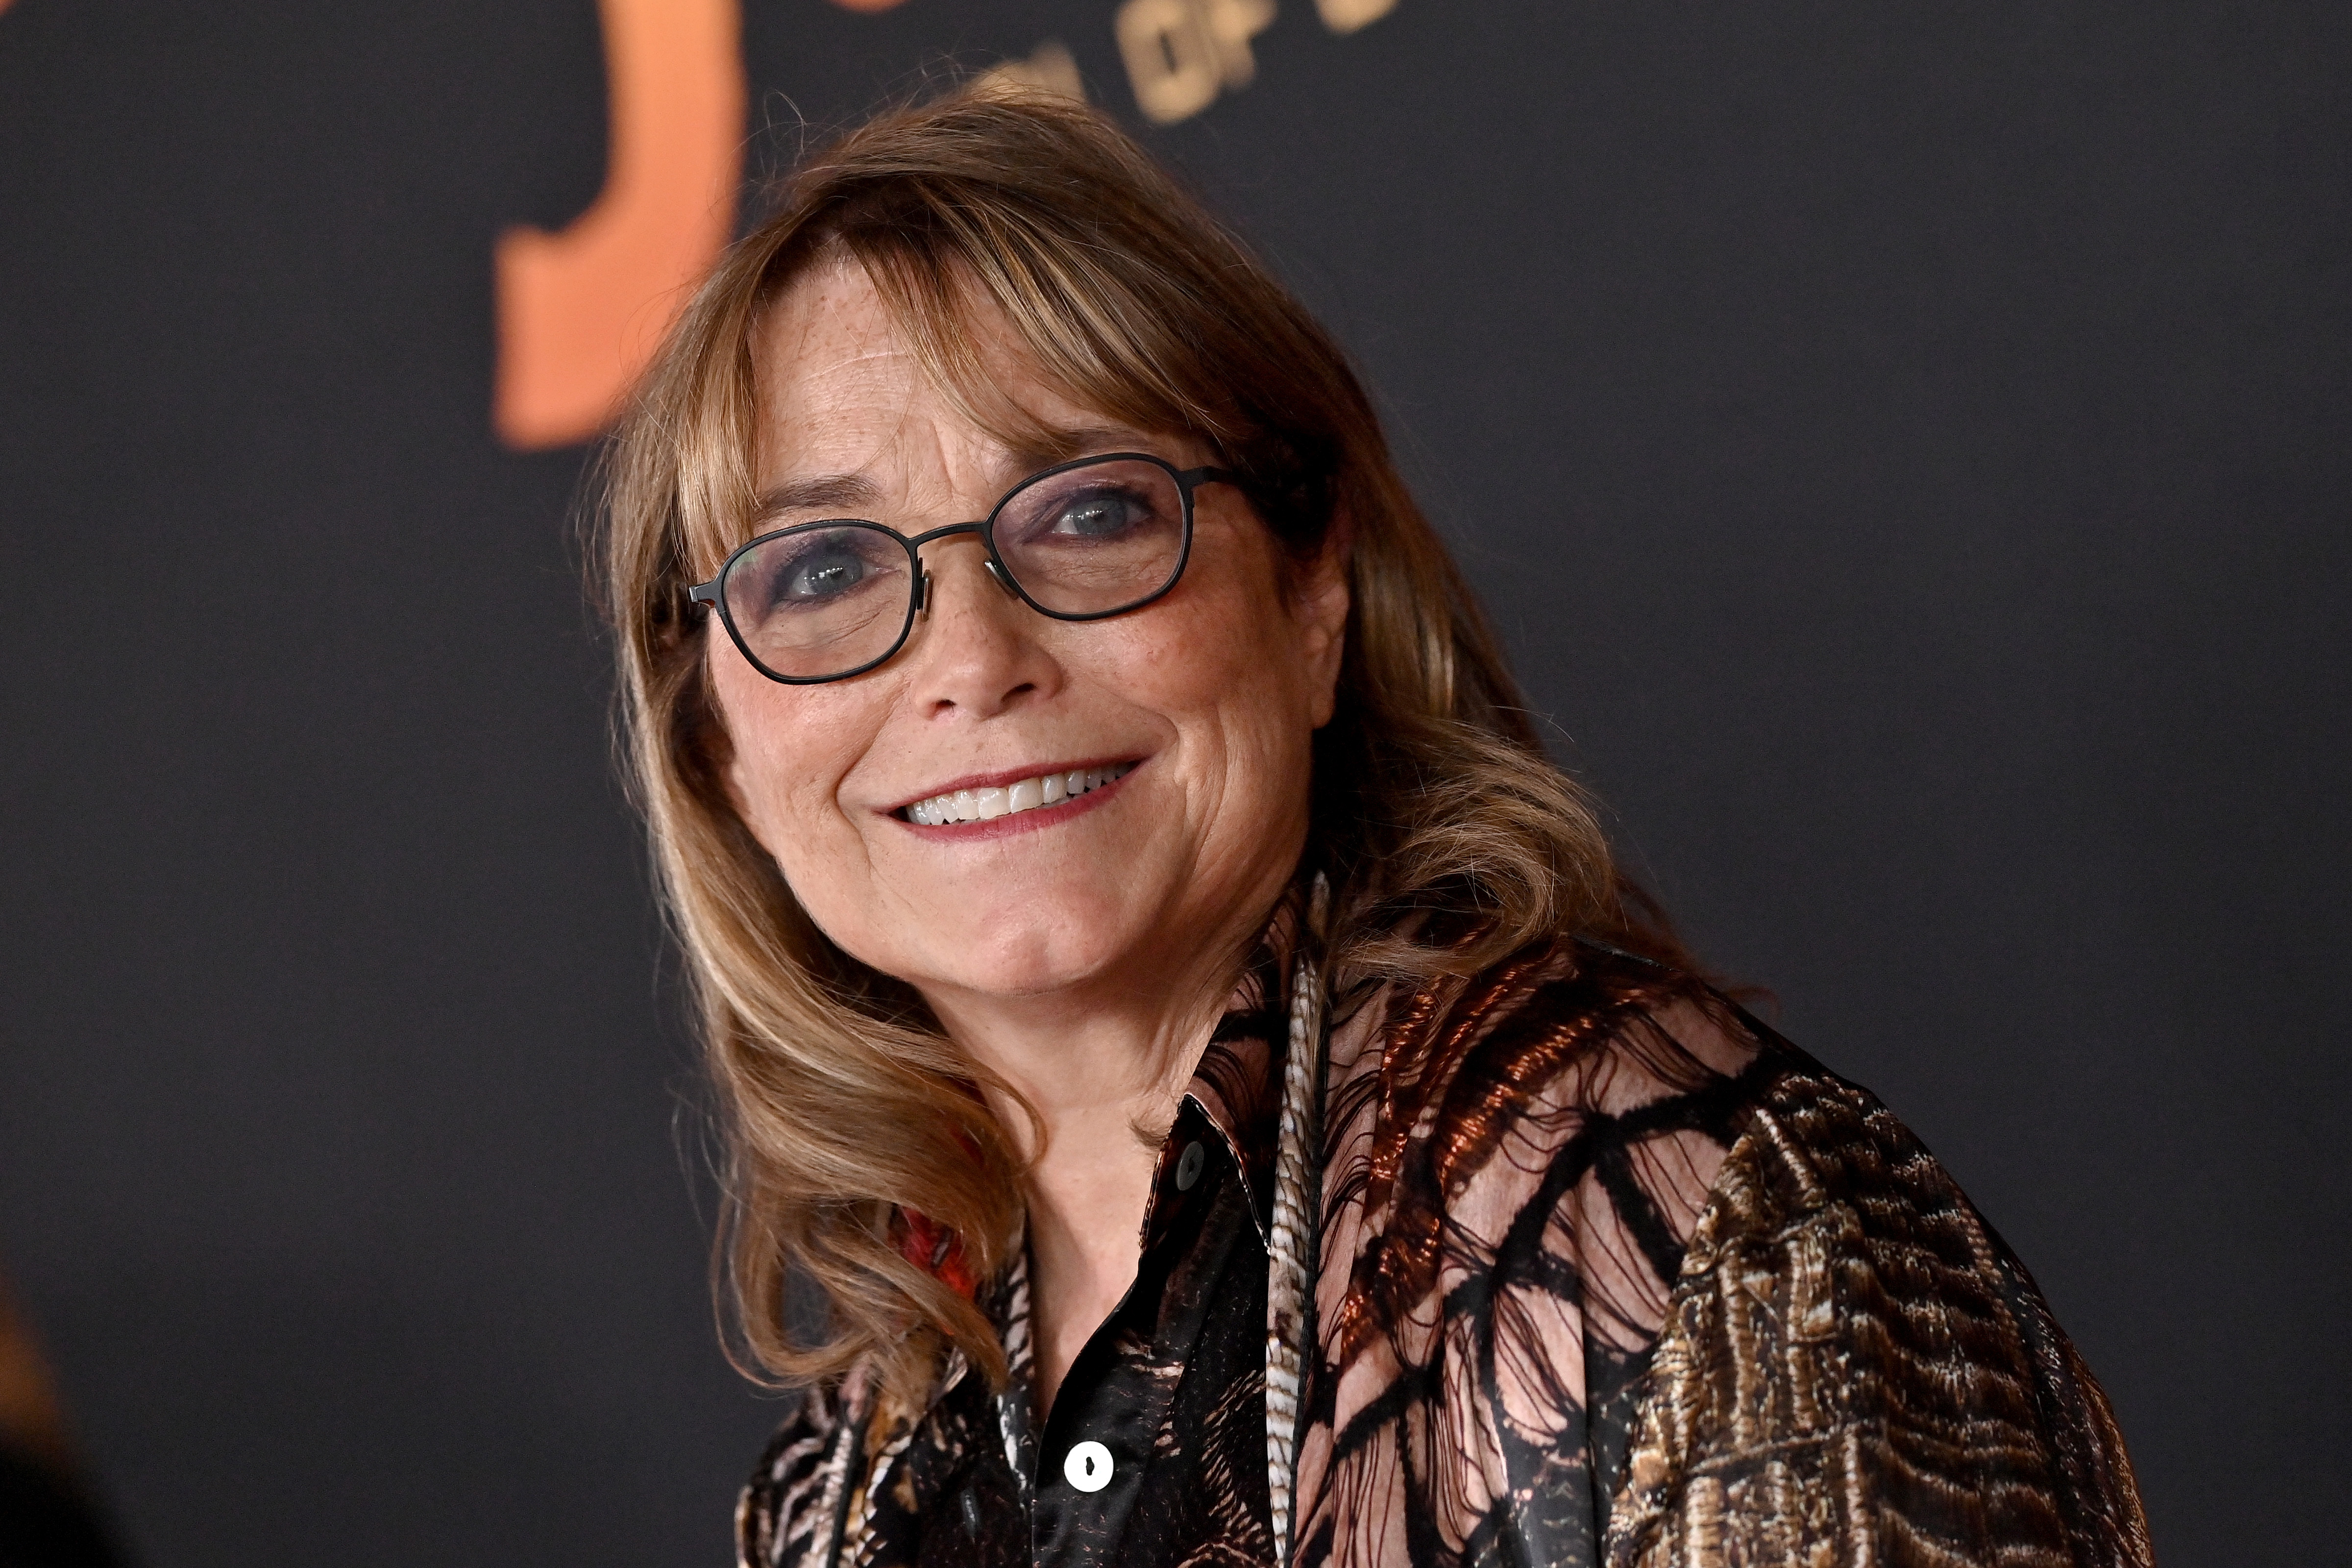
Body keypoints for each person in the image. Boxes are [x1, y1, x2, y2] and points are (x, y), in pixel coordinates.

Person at [597, 89, 2152, 1568]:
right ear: (725, 747)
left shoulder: (1700, 1230)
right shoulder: (831, 1499)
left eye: (1087, 510)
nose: (970, 662)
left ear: (1312, 587)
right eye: (820, 572)